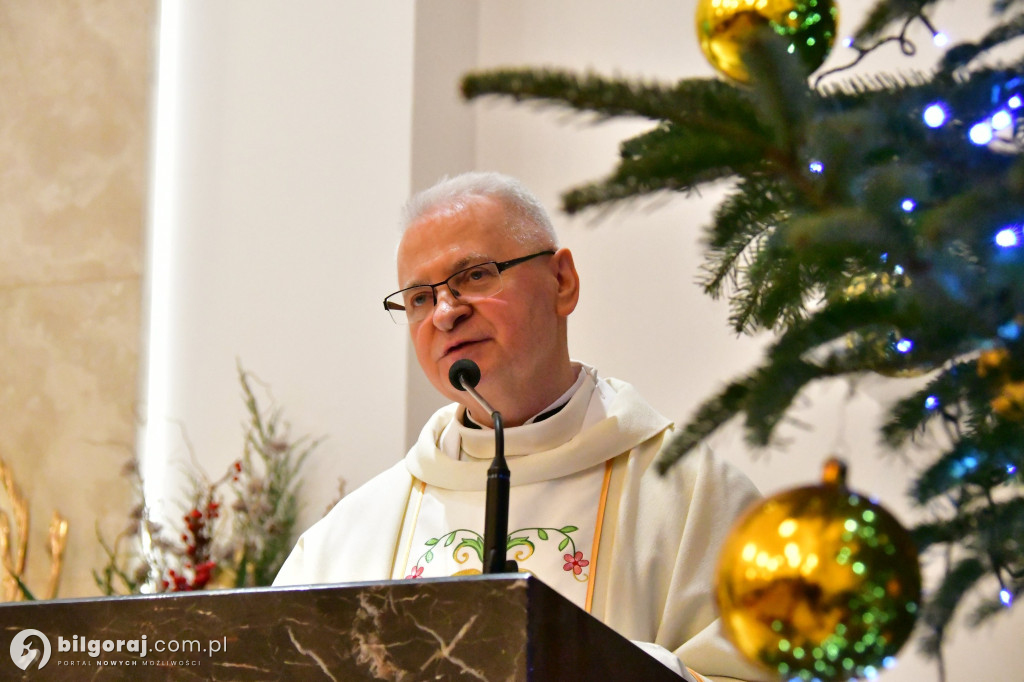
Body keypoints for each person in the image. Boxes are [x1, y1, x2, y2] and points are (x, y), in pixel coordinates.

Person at [274, 172, 770, 682]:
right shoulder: (352, 533)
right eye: (420, 298)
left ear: (562, 282)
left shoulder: (694, 499)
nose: (445, 313)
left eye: (474, 275)